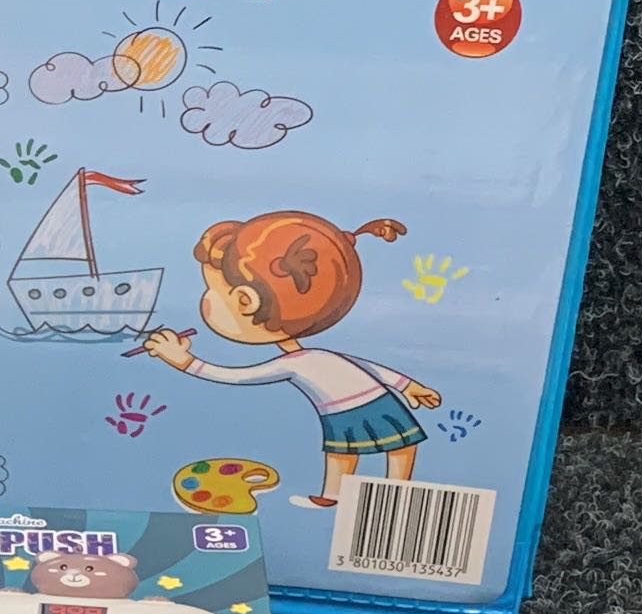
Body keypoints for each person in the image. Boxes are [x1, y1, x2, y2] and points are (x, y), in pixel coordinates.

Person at [134, 212, 440, 506]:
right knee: (345, 452)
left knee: (397, 447)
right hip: (347, 409)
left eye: (212, 291)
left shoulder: (295, 363)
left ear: (245, 301)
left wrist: (185, 362)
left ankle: (396, 492)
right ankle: (333, 496)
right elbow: (365, 367)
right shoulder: (307, 356)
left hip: (374, 403)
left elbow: (238, 376)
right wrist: (406, 385)